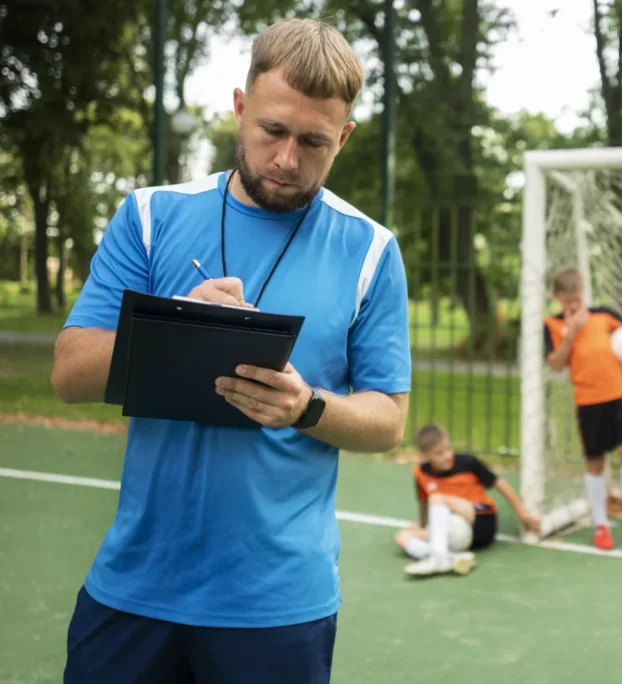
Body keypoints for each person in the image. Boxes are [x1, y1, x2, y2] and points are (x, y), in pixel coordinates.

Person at [51, 19, 410, 684]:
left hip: (278, 605)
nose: (287, 159)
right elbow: (69, 373)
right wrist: (176, 323)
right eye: (273, 130)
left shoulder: (370, 251)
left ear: (345, 137)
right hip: (135, 586)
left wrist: (308, 407)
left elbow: (388, 419)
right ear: (240, 107)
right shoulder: (151, 216)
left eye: (314, 142)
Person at [543, 267, 622, 557]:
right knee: (595, 463)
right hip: (588, 401)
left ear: (584, 292)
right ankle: (601, 526)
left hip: (618, 396)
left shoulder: (603, 314)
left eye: (577, 299)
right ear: (557, 298)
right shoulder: (551, 324)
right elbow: (556, 363)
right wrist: (571, 334)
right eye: (568, 302)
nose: (574, 306)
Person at [396, 424, 541, 577]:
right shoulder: (420, 473)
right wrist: (422, 524)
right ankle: (451, 558)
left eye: (448, 449)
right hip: (455, 524)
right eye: (439, 453)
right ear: (425, 456)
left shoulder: (469, 463)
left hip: (481, 519)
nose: (447, 455)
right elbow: (424, 501)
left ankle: (438, 558)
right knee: (402, 537)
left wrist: (523, 513)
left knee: (437, 498)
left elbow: (500, 484)